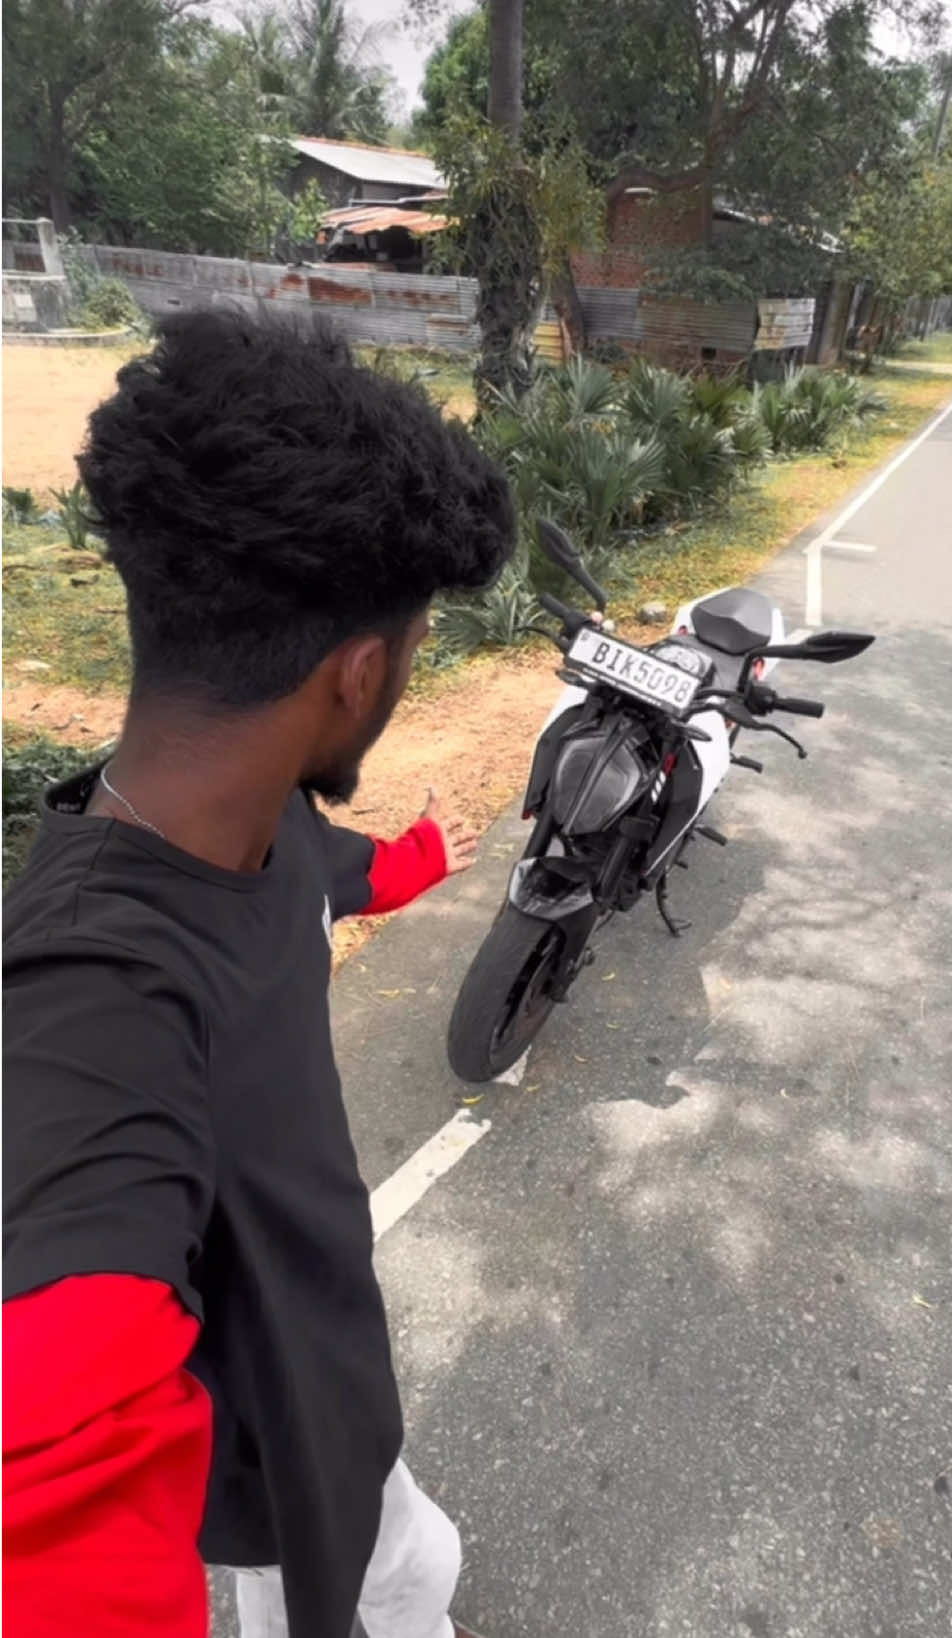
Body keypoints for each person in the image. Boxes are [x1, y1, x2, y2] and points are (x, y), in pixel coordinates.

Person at [2, 307, 515, 1638]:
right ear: (359, 673)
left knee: (421, 1565)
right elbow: (54, 1448)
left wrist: (415, 860)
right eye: (414, 646)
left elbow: (326, 873)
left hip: (334, 1397)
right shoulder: (87, 995)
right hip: (261, 1491)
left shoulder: (252, 810)